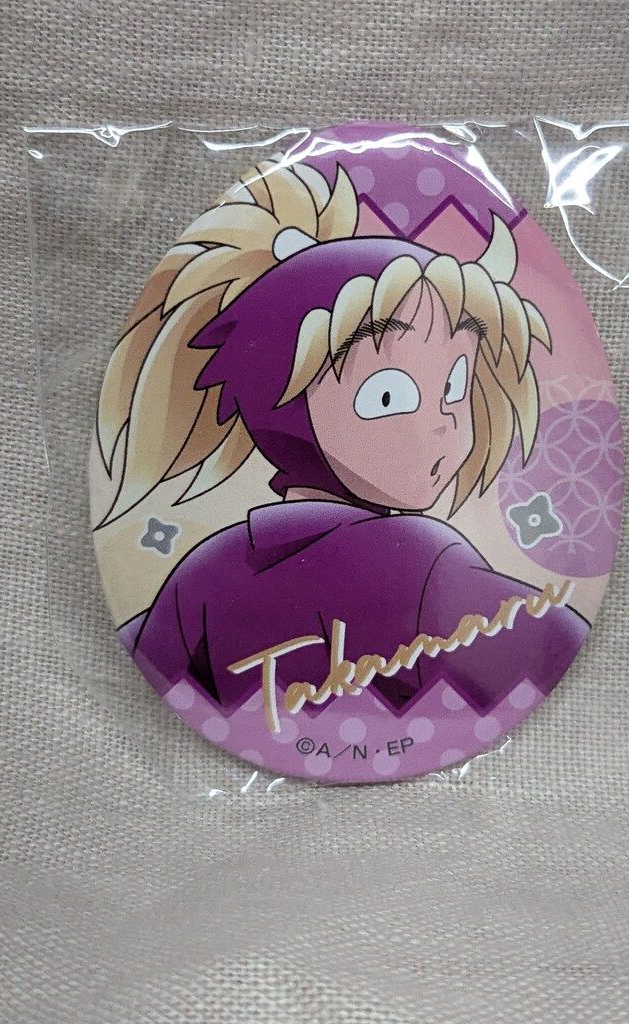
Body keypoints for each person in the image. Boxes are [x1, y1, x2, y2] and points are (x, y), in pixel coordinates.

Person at [97, 159, 589, 730]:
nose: (442, 424)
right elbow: (544, 648)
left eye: (454, 387)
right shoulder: (421, 560)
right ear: (283, 398)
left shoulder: (205, 571)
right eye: (388, 396)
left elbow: (155, 667)